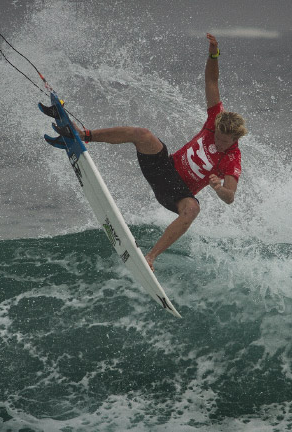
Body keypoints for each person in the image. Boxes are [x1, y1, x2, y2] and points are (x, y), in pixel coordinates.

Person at [77, 33, 247, 271]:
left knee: (193, 209)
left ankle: (150, 257)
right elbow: (211, 81)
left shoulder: (232, 159)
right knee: (143, 134)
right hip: (163, 168)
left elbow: (231, 196)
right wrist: (214, 53)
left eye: (224, 141)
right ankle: (84, 135)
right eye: (217, 136)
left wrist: (219, 188)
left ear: (235, 139)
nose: (218, 142)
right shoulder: (214, 118)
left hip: (176, 193)